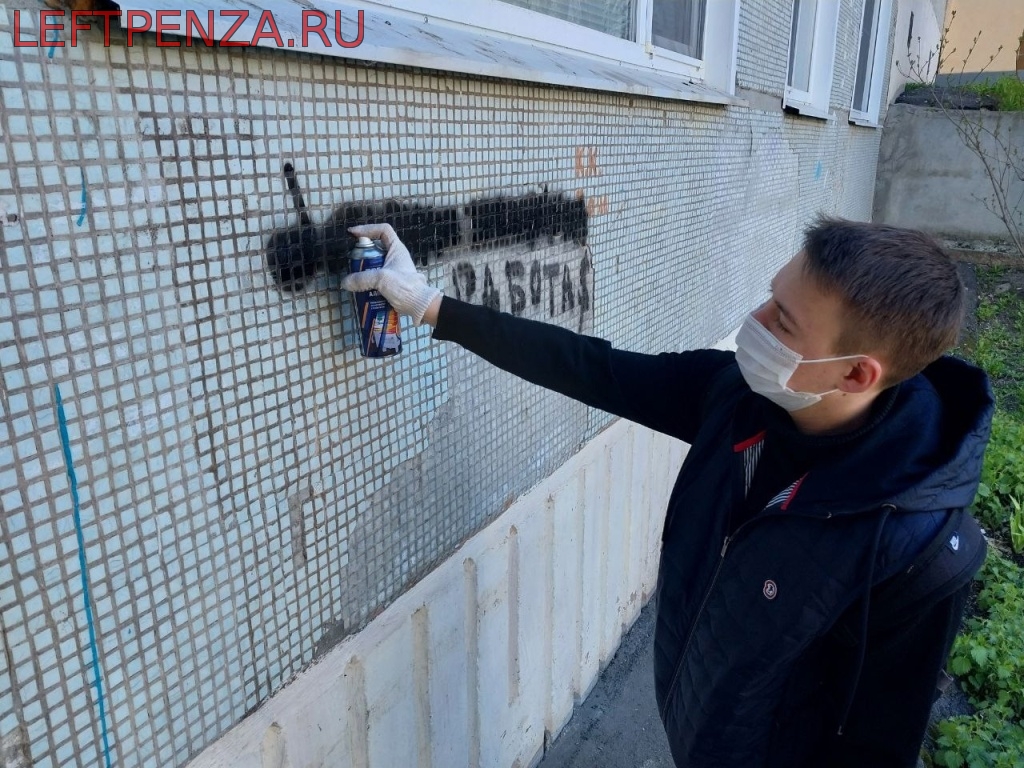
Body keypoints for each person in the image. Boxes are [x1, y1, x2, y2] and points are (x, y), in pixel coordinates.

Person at [341, 217, 993, 767]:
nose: (755, 321)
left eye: (784, 322)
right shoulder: (736, 399)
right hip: (694, 725)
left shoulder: (917, 550)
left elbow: (876, 748)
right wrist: (429, 304)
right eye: (770, 296)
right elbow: (591, 368)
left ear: (855, 375)